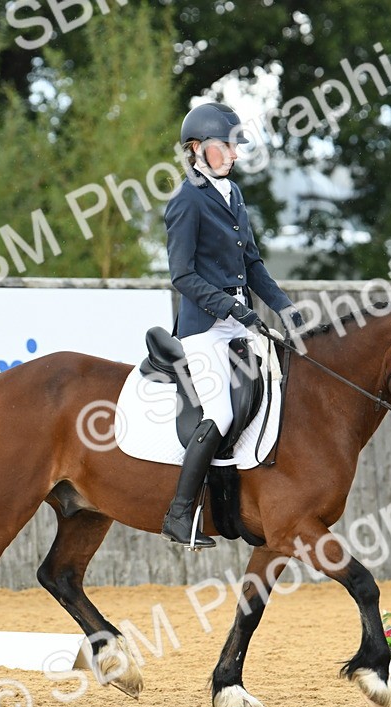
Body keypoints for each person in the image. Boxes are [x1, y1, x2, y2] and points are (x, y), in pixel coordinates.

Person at [160, 101, 303, 549]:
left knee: (277, 392)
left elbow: (253, 264)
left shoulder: (234, 195)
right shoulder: (186, 202)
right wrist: (231, 309)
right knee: (219, 413)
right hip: (203, 327)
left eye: (236, 146)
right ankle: (180, 516)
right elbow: (181, 275)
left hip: (240, 323)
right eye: (228, 146)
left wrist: (284, 306)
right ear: (198, 149)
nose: (236, 154)